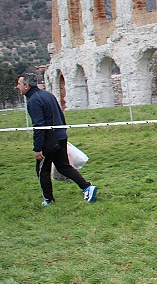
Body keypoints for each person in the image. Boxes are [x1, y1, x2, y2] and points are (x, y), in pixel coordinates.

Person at [16, 73, 97, 206]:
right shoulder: (48, 95)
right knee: (63, 166)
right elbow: (61, 115)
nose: (17, 87)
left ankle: (48, 200)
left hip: (48, 140)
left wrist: (38, 148)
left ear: (26, 86)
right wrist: (62, 134)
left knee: (43, 170)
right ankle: (87, 187)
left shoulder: (34, 100)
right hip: (60, 137)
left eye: (19, 84)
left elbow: (39, 125)